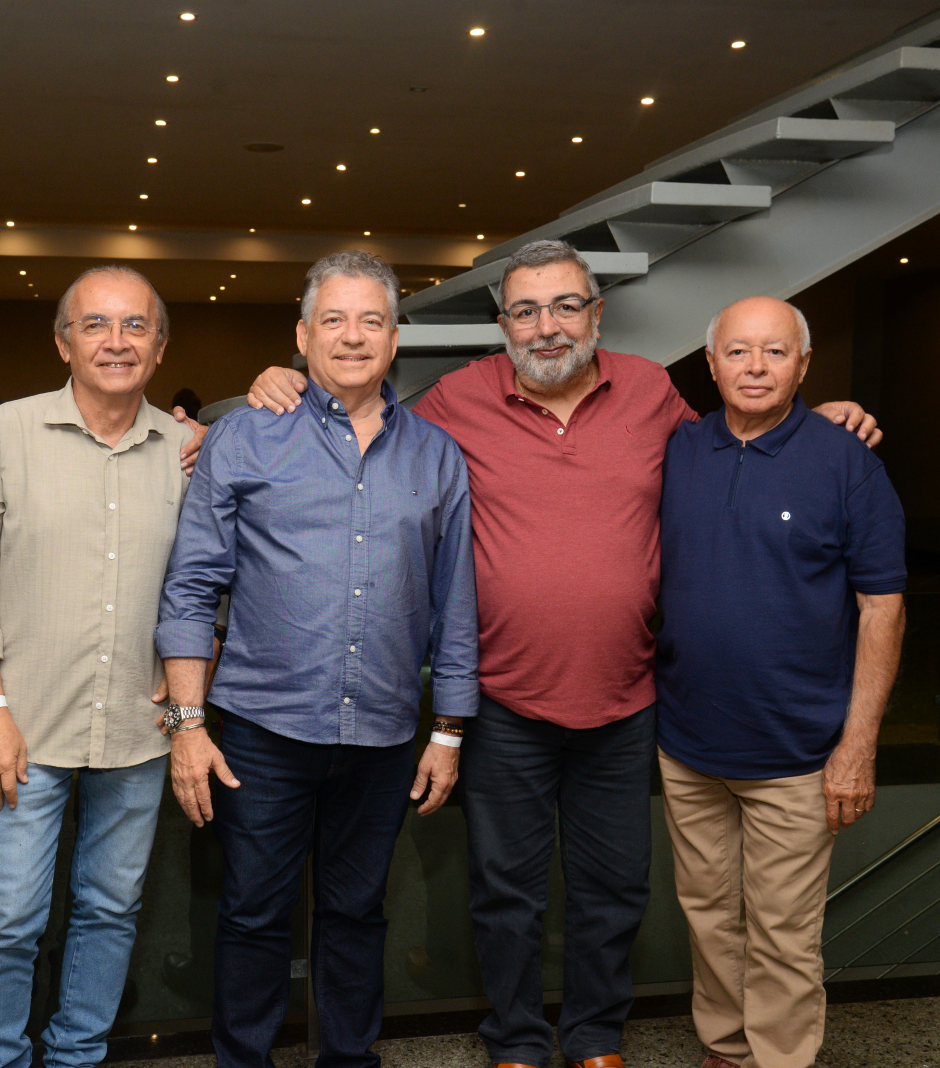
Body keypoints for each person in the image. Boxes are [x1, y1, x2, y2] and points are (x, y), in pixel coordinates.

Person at [244, 240, 882, 1068]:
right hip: (503, 699)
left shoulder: (649, 391)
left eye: (566, 306)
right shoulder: (457, 400)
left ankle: (593, 1036)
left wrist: (819, 419)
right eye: (526, 310)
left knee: (613, 887)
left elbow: (739, 440)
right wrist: (280, 383)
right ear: (503, 324)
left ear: (596, 314)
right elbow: (364, 419)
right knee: (504, 890)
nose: (547, 326)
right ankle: (515, 1038)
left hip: (627, 697)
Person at [156, 250, 479, 1068]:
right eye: (333, 319)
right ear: (302, 336)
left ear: (395, 339)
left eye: (372, 320)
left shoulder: (437, 456)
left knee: (358, 915)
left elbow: (455, 604)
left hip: (383, 735)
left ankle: (348, 1059)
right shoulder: (245, 436)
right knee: (252, 916)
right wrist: (188, 725)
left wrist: (447, 731)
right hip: (263, 731)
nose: (353, 336)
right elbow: (191, 586)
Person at [0, 266, 194, 1068]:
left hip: (139, 727)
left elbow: (205, 589)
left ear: (160, 347)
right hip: (22, 729)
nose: (115, 342)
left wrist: (189, 693)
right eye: (95, 325)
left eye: (135, 326)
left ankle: (76, 1057)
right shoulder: (7, 432)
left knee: (111, 911)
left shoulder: (188, 451)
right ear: (63, 343)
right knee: (6, 920)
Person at [656, 296, 906, 1068]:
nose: (756, 367)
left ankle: (780, 1059)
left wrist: (857, 746)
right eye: (738, 351)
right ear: (711, 365)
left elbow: (882, 609)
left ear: (804, 365)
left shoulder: (847, 461)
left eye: (775, 351)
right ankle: (727, 1048)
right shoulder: (677, 449)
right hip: (688, 745)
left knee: (783, 933)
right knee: (708, 916)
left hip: (797, 751)